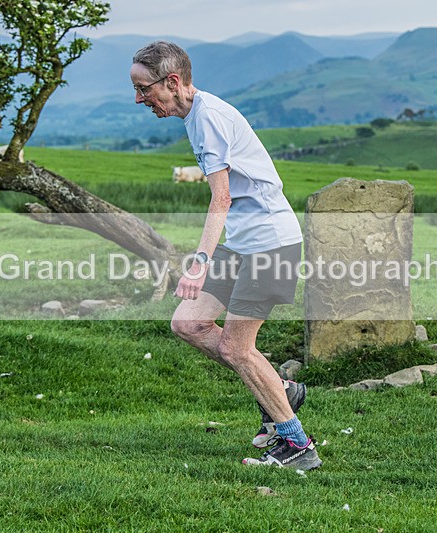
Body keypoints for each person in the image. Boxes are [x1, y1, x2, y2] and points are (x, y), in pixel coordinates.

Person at [130, 41, 322, 470]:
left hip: (269, 244)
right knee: (188, 323)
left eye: (144, 89)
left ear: (172, 81)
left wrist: (198, 263)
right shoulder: (196, 116)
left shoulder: (209, 118)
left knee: (237, 348)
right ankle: (281, 390)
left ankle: (298, 446)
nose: (140, 99)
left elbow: (221, 199)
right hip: (242, 244)